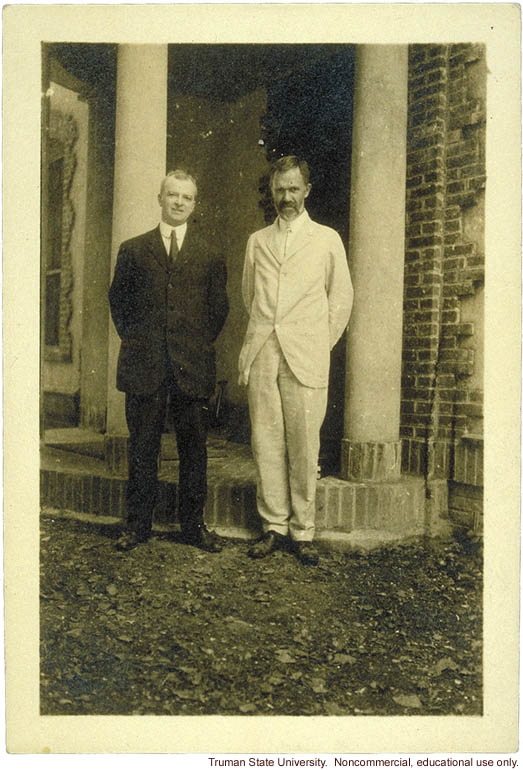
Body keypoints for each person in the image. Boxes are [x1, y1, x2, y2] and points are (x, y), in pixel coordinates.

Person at [238, 156, 353, 566]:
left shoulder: (326, 239)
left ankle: (303, 531)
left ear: (307, 190)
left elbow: (341, 300)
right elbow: (250, 297)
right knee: (265, 441)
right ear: (272, 192)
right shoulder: (257, 241)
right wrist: (266, 334)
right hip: (264, 350)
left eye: (293, 189)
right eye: (279, 189)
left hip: (306, 355)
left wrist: (318, 343)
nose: (286, 197)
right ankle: (274, 526)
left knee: (304, 444)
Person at [109, 170, 229, 552]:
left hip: (191, 367)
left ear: (195, 205)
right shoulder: (132, 249)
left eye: (186, 197)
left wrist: (191, 345)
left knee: (194, 449)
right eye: (172, 195)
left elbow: (217, 311)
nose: (179, 202)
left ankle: (192, 527)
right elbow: (119, 304)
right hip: (145, 365)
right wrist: (142, 341)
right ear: (159, 198)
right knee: (143, 446)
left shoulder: (210, 254)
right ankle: (137, 526)